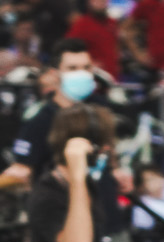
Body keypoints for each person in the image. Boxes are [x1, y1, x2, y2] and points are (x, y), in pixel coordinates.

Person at [26, 104, 121, 242]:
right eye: (104, 144)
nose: (107, 149)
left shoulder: (87, 183)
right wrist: (77, 178)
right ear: (91, 148)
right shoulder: (47, 195)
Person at [6, 38, 104, 178]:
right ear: (54, 73)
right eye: (72, 68)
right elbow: (22, 168)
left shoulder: (101, 111)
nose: (81, 74)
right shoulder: (40, 120)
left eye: (86, 68)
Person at [65, 0, 121, 79]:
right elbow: (67, 48)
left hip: (113, 75)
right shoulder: (82, 24)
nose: (101, 3)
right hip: (95, 77)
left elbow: (114, 45)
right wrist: (87, 63)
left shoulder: (112, 22)